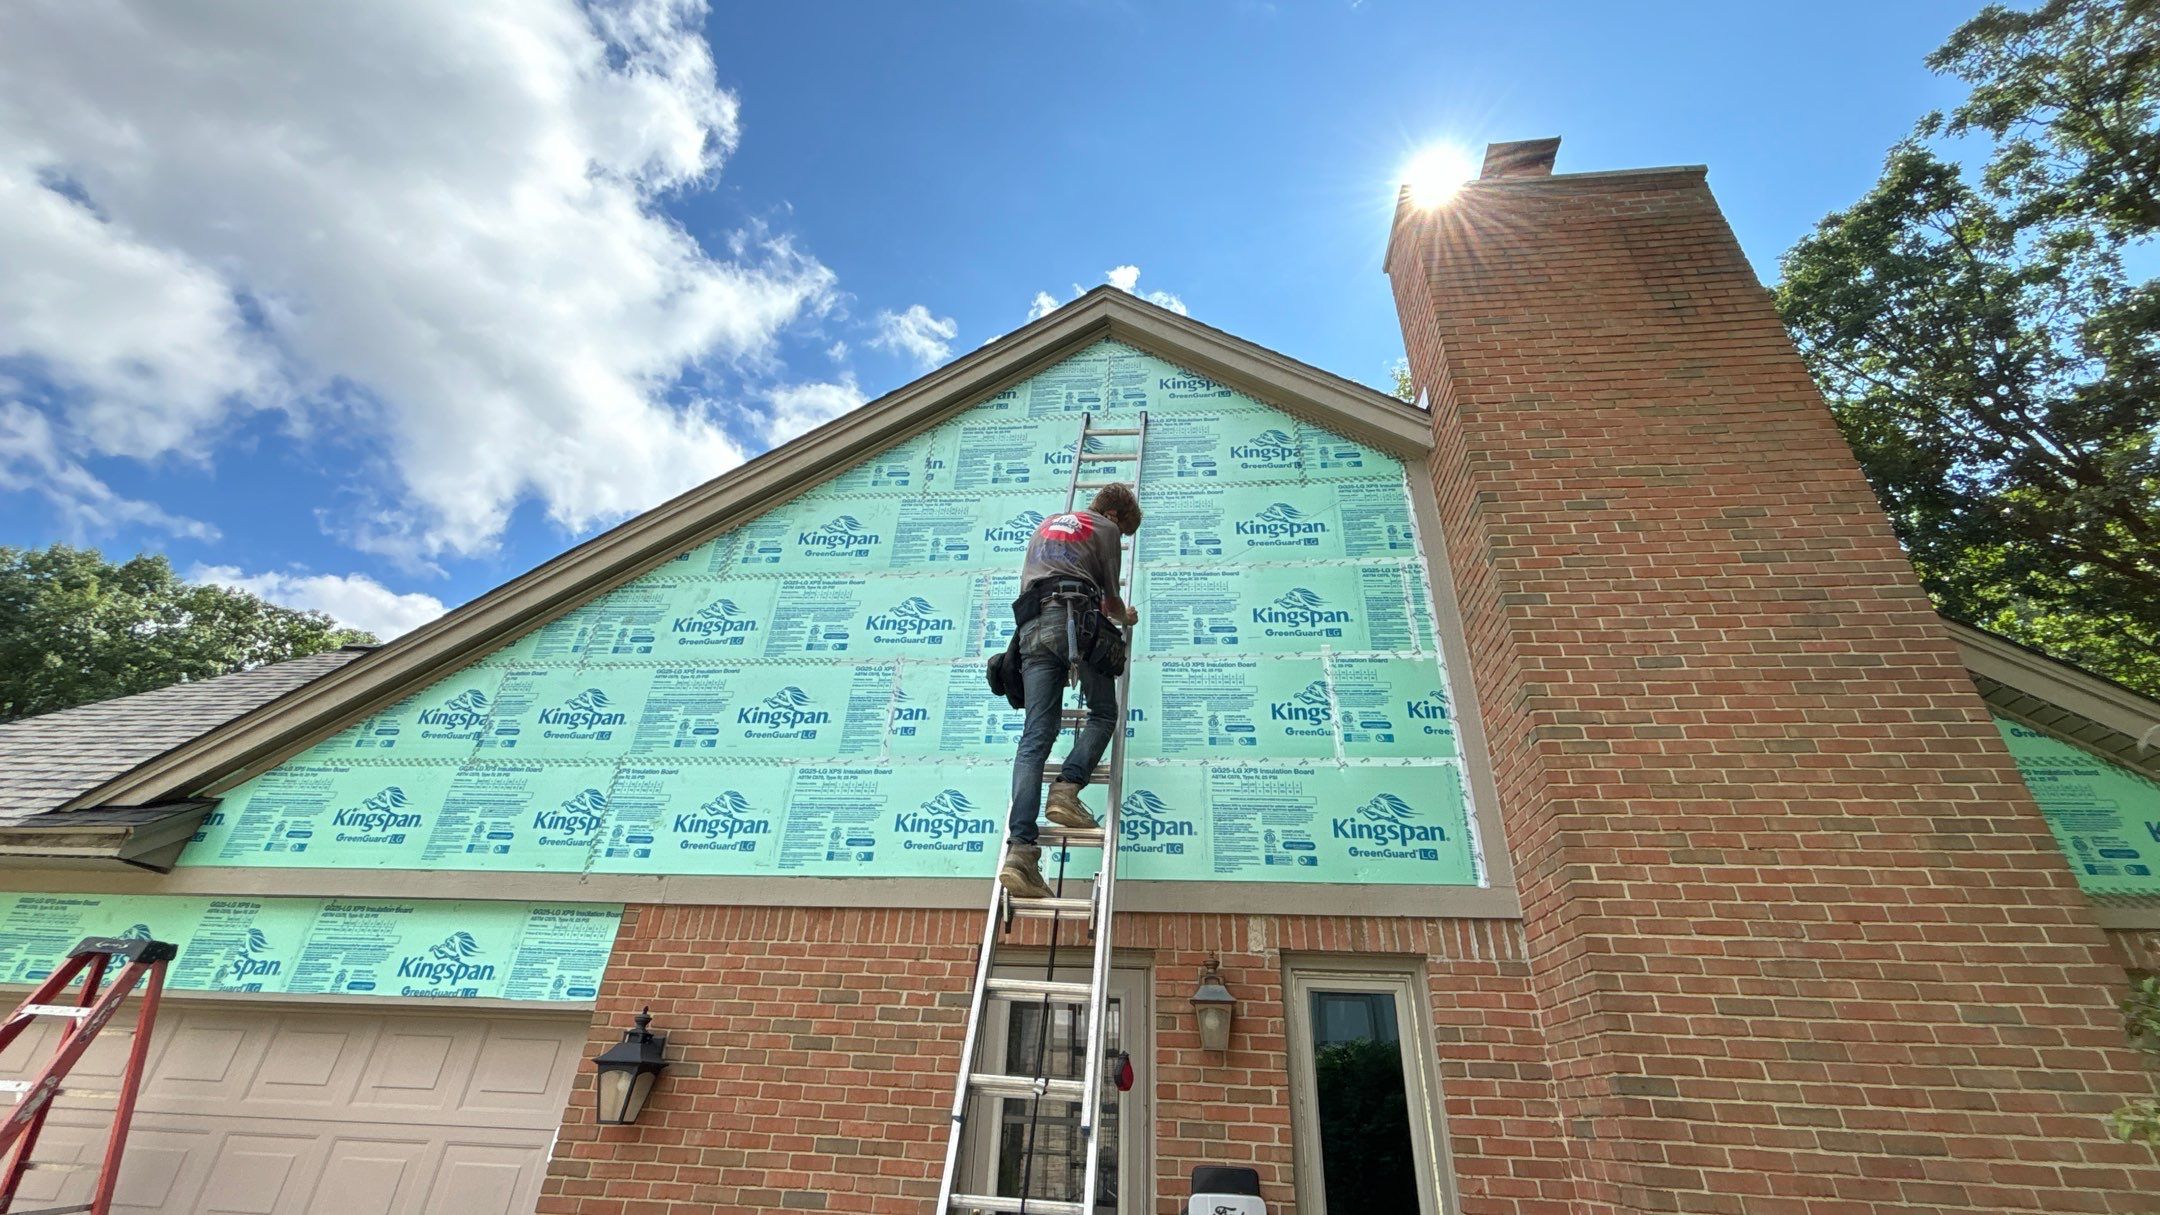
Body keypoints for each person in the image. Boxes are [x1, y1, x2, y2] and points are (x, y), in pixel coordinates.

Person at [999, 483, 1143, 899]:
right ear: (1116, 515)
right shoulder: (1105, 528)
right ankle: (1066, 788)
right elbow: (1110, 602)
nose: (1122, 535)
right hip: (1074, 620)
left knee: (1034, 740)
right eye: (1125, 529)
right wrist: (1126, 618)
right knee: (1103, 713)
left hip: (1030, 630)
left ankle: (1021, 854)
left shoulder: (1045, 525)